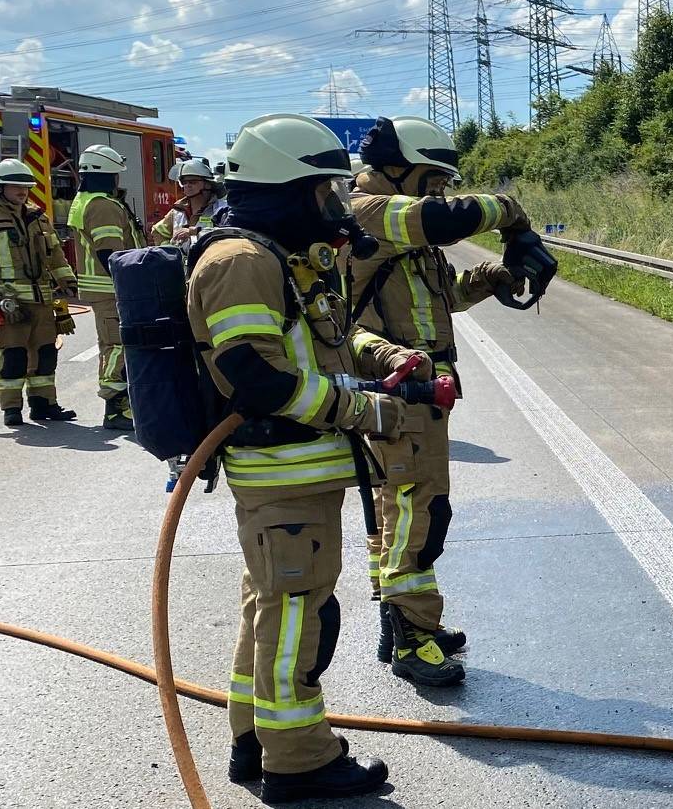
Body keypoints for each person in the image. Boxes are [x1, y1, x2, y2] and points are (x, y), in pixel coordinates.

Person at [196, 113, 424, 800]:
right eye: (323, 192)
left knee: (272, 608)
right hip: (281, 476)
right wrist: (358, 408)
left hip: (300, 478)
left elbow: (330, 339)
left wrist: (384, 355)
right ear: (283, 190)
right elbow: (256, 378)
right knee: (301, 616)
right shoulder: (241, 263)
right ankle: (298, 759)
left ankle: (251, 739)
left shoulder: (282, 257)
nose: (336, 205)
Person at [347, 115, 534, 688]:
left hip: (424, 393)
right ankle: (413, 638)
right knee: (416, 514)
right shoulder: (369, 213)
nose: (441, 191)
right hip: (397, 389)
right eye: (432, 179)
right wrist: (512, 213)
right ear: (398, 170)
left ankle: (398, 624)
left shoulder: (406, 234)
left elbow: (440, 296)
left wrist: (494, 276)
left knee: (400, 511)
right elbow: (444, 219)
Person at [0, 159, 75, 425]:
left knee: (46, 355)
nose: (22, 191)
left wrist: (67, 281)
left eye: (26, 186)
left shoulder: (38, 216)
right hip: (9, 303)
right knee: (13, 357)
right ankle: (11, 409)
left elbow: (55, 254)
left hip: (43, 301)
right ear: (0, 188)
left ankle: (44, 405)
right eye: (16, 186)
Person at [66, 144, 143, 430]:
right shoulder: (102, 205)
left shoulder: (84, 200)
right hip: (112, 290)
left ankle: (120, 406)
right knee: (116, 347)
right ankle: (116, 409)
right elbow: (110, 253)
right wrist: (135, 283)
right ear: (112, 175)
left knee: (113, 345)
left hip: (102, 289)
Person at [151, 159, 225, 245]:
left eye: (192, 182)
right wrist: (170, 251)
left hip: (210, 257)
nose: (187, 185)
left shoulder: (221, 209)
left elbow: (229, 234)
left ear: (208, 184)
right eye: (184, 182)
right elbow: (157, 232)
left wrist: (195, 232)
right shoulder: (177, 211)